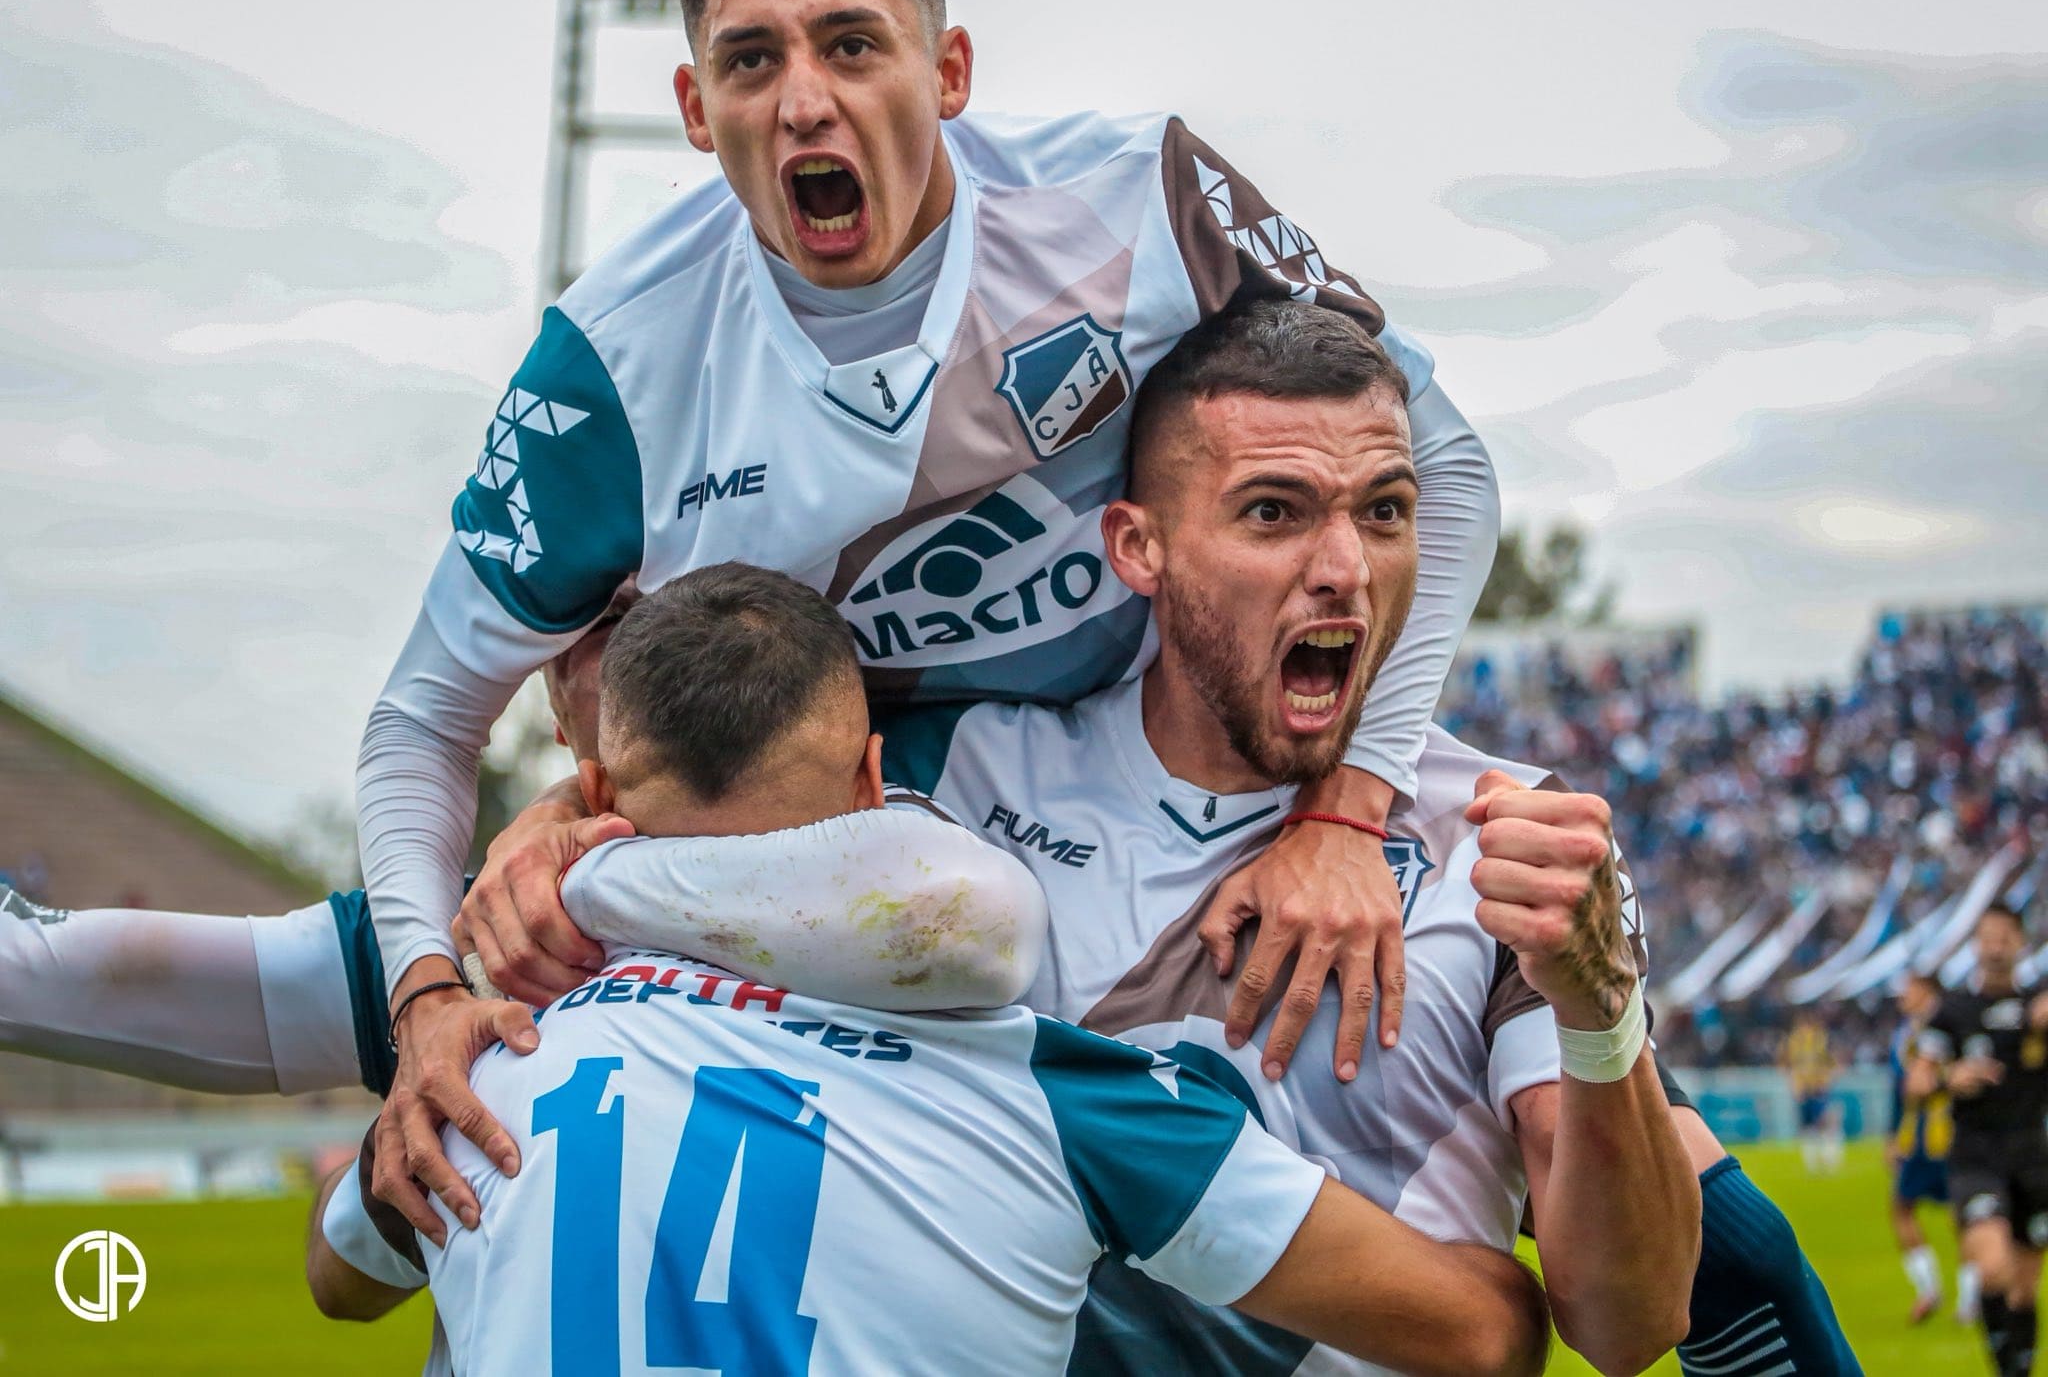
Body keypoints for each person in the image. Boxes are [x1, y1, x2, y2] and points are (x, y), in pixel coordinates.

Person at [357, 0, 1506, 1224]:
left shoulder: (1136, 199)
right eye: (751, 60)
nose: (803, 103)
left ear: (948, 72)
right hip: (913, 835)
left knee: (1691, 1201)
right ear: (691, 101)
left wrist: (1348, 803)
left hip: (1211, 752)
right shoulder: (610, 365)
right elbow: (423, 715)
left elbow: (1442, 457)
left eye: (851, 44)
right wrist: (426, 993)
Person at [557, 300, 1699, 1375]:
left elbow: (1627, 1325)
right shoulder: (962, 771)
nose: (1345, 569)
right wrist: (557, 839)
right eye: (1274, 512)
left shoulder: (1507, 837)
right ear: (1136, 547)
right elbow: (701, 801)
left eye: (1385, 511)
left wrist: (1601, 1014)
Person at [308, 562, 1553, 1377]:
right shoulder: (1055, 1092)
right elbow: (1476, 1339)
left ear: (590, 800)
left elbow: (339, 1278)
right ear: (872, 783)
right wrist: (1497, 1259)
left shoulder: (480, 1080)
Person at [0, 585, 1047, 1103]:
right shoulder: (472, 941)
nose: (606, 654)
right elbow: (346, 1270)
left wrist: (587, 881)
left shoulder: (912, 845)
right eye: (568, 648)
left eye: (631, 612)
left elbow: (977, 927)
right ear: (564, 731)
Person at [1911, 903, 2048, 1377]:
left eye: (2003, 938)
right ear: (1975, 944)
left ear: (2020, 943)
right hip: (1976, 1157)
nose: (1994, 947)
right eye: (1986, 938)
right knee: (1993, 1268)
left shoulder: (2039, 1004)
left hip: (2033, 1157)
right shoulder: (1952, 1011)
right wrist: (1952, 1075)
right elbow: (1917, 1083)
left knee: (2025, 1289)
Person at [1888, 972, 1963, 1325]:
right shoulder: (1907, 1033)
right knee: (1908, 1208)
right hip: (1918, 1136)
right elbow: (1899, 1092)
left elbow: (1911, 1087)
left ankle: (1950, 1294)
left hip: (1943, 1134)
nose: (1904, 996)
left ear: (1928, 992)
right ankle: (1948, 1295)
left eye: (1910, 989)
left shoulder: (1940, 1029)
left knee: (1961, 1213)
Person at [1784, 1010, 1843, 1174]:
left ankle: (1829, 1157)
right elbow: (1788, 1064)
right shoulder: (1794, 1041)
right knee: (1807, 1125)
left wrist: (1827, 1080)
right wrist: (1794, 1084)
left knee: (1824, 1122)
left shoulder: (1822, 1039)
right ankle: (1812, 1161)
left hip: (1819, 1088)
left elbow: (1834, 1061)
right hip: (1804, 1089)